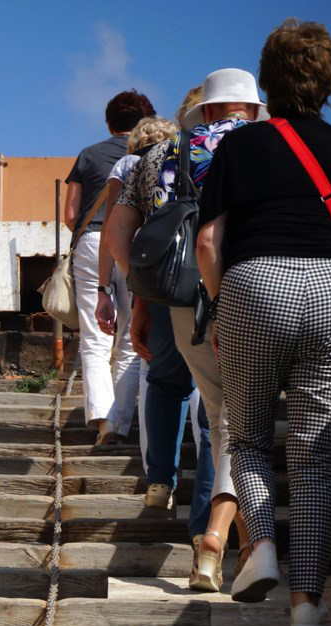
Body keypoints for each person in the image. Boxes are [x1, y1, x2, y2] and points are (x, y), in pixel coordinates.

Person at [197, 19, 331, 626]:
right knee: (313, 454)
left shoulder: (239, 147)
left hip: (255, 285)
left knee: (249, 439)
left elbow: (208, 242)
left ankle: (259, 548)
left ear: (267, 83)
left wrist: (221, 307)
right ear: (330, 83)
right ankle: (307, 604)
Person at [105, 69, 268, 592]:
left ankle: (233, 541)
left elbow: (119, 234)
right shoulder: (268, 145)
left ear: (207, 109)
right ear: (251, 108)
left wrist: (142, 302)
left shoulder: (159, 154)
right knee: (243, 422)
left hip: (181, 298)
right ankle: (218, 539)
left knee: (220, 415)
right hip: (253, 286)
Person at [64, 90, 155, 426]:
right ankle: (120, 424)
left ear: (109, 122)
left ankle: (101, 415)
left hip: (92, 242)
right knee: (133, 336)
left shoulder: (88, 155)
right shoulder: (153, 155)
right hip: (137, 242)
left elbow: (70, 215)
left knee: (94, 338)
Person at [95, 115, 177, 447]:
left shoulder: (127, 163)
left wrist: (105, 285)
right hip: (171, 259)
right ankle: (152, 434)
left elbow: (112, 224)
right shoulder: (179, 160)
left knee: (130, 345)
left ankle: (117, 425)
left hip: (132, 257)